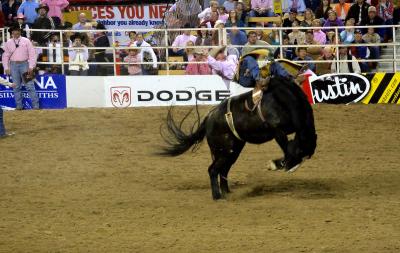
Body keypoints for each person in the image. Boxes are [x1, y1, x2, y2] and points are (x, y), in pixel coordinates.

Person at [2, 25, 39, 110]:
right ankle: (19, 106)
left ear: (20, 31)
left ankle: (36, 106)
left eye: (18, 30)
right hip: (13, 65)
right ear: (12, 32)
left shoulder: (26, 41)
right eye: (14, 31)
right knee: (16, 86)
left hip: (25, 64)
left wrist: (31, 66)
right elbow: (5, 56)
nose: (16, 32)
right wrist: (6, 68)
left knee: (30, 85)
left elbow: (32, 54)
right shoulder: (8, 42)